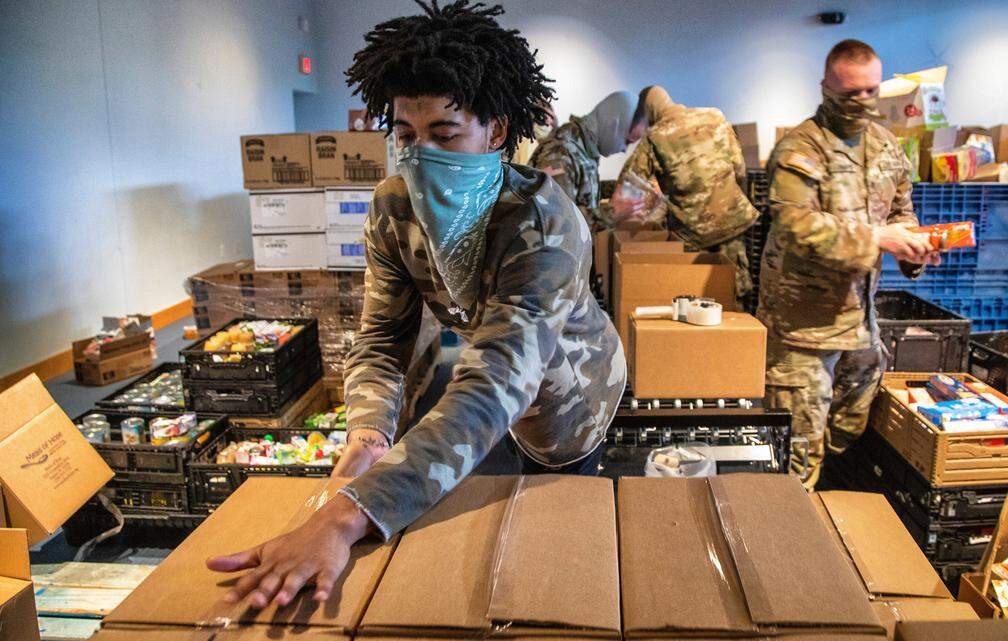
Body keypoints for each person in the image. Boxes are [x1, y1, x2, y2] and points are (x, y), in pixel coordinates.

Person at [206, 0, 625, 609]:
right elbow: (380, 340)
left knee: (547, 549)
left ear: (497, 131)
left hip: (569, 392)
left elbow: (498, 378)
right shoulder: (394, 207)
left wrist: (345, 518)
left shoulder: (544, 222)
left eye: (445, 134)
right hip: (494, 381)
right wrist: (370, 432)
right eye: (406, 136)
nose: (420, 153)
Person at [758, 39, 940, 489]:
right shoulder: (800, 150)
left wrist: (914, 246)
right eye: (849, 94)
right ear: (825, 87)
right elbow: (794, 225)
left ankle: (827, 501)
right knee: (798, 452)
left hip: (861, 323)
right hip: (802, 329)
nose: (861, 104)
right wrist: (879, 238)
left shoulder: (885, 145)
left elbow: (901, 208)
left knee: (849, 429)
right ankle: (794, 531)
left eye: (870, 93)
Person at [615, 86, 759, 302]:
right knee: (733, 291)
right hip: (732, 223)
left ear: (648, 112)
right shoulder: (715, 116)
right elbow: (739, 170)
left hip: (692, 233)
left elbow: (629, 186)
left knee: (696, 295)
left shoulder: (655, 137)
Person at [528, 91, 648, 230]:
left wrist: (615, 187)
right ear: (613, 126)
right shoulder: (561, 151)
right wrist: (613, 212)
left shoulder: (582, 147)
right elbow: (556, 223)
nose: (624, 149)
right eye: (627, 141)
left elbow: (578, 191)